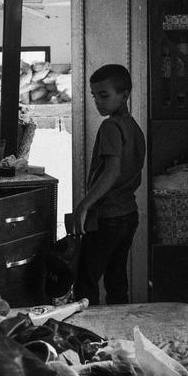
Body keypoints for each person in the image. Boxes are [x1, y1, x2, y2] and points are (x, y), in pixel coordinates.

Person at [72, 64, 146, 305]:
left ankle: (88, 335)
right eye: (94, 96)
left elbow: (111, 172)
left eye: (104, 95)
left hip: (108, 216)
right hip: (129, 214)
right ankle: (121, 331)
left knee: (85, 281)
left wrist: (83, 205)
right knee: (116, 279)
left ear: (124, 94)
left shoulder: (111, 127)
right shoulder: (134, 127)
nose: (98, 102)